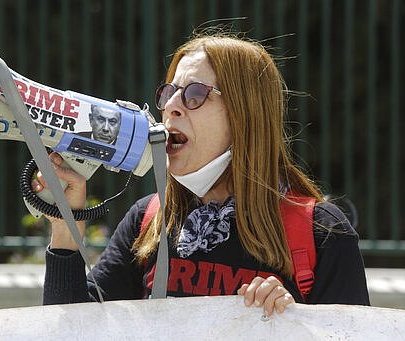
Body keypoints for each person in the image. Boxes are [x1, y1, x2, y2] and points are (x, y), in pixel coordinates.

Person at [33, 32, 370, 316]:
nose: (171, 107)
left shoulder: (321, 231)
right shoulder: (148, 220)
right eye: (169, 93)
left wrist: (294, 321)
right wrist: (66, 226)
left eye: (194, 95)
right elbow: (73, 330)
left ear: (245, 113)